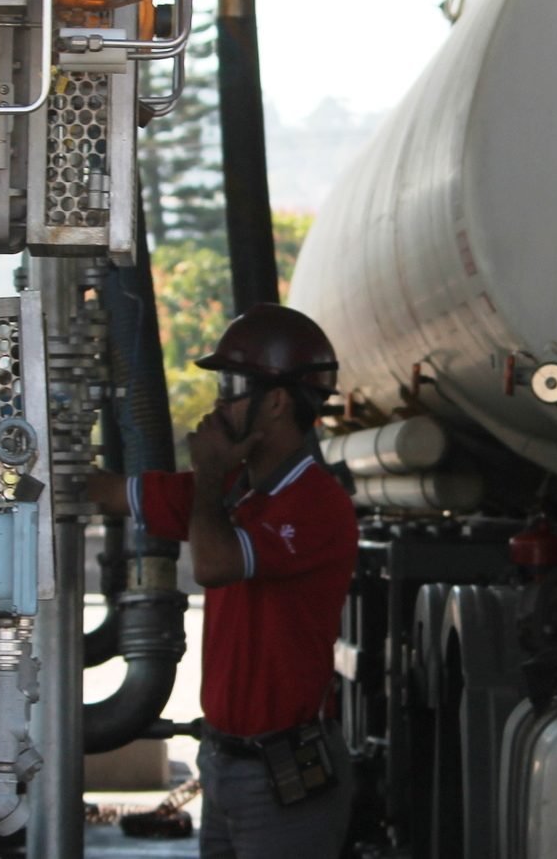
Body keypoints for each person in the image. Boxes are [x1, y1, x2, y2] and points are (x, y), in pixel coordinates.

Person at [86, 303, 358, 858]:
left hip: (278, 777)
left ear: (278, 401)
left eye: (233, 385)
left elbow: (213, 563)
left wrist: (209, 473)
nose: (219, 401)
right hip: (227, 762)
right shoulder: (235, 488)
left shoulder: (314, 504)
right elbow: (111, 493)